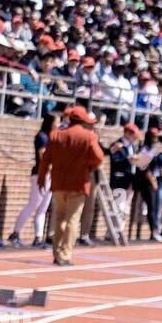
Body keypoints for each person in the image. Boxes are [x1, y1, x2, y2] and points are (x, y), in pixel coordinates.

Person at [37, 105, 104, 266]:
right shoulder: (88, 136)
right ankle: (65, 254)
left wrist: (41, 178)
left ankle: (56, 252)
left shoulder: (55, 135)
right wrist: (89, 164)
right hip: (79, 183)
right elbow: (99, 157)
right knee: (72, 220)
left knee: (59, 217)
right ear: (82, 121)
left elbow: (45, 159)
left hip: (59, 183)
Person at [7, 110, 56, 247]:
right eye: (56, 122)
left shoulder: (52, 137)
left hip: (50, 176)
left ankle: (38, 238)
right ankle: (15, 234)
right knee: (33, 204)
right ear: (50, 122)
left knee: (42, 208)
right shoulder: (42, 137)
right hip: (40, 174)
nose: (57, 125)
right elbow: (42, 156)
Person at [108, 122, 141, 233]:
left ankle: (119, 230)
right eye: (132, 135)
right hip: (119, 181)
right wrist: (128, 159)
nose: (134, 138)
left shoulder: (133, 147)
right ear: (127, 133)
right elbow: (115, 162)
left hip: (130, 181)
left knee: (125, 208)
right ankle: (112, 232)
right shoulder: (117, 144)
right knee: (118, 207)